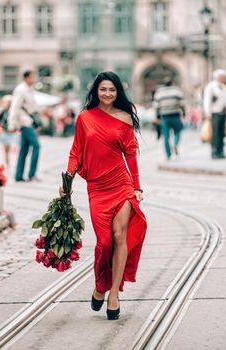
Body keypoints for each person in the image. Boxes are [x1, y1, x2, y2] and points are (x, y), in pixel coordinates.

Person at [60, 71, 147, 320]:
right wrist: (67, 180)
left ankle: (114, 295)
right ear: (95, 91)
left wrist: (137, 187)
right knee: (104, 243)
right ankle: (101, 285)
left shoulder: (125, 118)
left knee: (120, 237)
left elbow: (131, 154)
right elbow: (76, 152)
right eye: (103, 90)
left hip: (122, 184)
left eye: (112, 90)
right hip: (97, 188)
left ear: (118, 92)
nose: (107, 94)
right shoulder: (85, 118)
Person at [8, 70, 41, 182]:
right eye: (32, 77)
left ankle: (18, 175)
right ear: (26, 78)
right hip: (24, 122)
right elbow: (15, 106)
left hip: (28, 121)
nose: (34, 80)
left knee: (24, 149)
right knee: (36, 145)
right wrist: (12, 123)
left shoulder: (29, 89)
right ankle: (32, 174)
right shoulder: (21, 90)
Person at [153, 78, 185, 159]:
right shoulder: (177, 91)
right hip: (175, 115)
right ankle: (175, 143)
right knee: (178, 131)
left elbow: (156, 106)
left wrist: (157, 116)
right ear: (172, 83)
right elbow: (182, 104)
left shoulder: (159, 92)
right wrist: (184, 112)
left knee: (166, 136)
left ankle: (168, 154)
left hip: (164, 116)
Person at [203, 69, 226, 159]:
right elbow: (207, 100)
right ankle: (214, 151)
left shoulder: (223, 87)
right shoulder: (211, 86)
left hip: (223, 113)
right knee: (215, 133)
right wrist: (207, 112)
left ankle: (221, 151)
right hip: (214, 113)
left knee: (222, 133)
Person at [0, 95, 18, 169]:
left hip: (13, 133)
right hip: (5, 132)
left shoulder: (15, 111)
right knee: (6, 150)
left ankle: (14, 163)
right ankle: (8, 164)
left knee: (14, 149)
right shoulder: (3, 112)